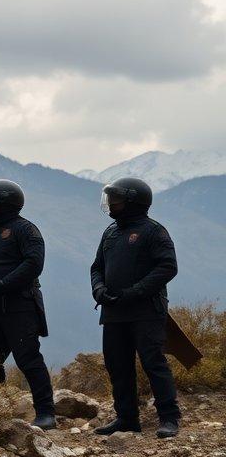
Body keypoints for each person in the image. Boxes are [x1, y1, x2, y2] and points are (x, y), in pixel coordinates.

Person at [90, 177, 180, 438]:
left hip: (146, 310)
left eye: (115, 199)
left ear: (133, 200)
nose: (110, 204)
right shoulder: (110, 232)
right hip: (113, 311)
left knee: (153, 363)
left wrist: (136, 292)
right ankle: (127, 418)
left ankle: (169, 418)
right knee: (117, 365)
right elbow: (97, 267)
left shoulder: (154, 231)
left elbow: (167, 267)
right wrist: (98, 290)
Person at [0, 178, 55, 430]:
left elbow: (33, 264)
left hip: (21, 304)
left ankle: (46, 413)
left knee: (27, 357)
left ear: (5, 202)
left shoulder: (25, 230)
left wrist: (2, 284)